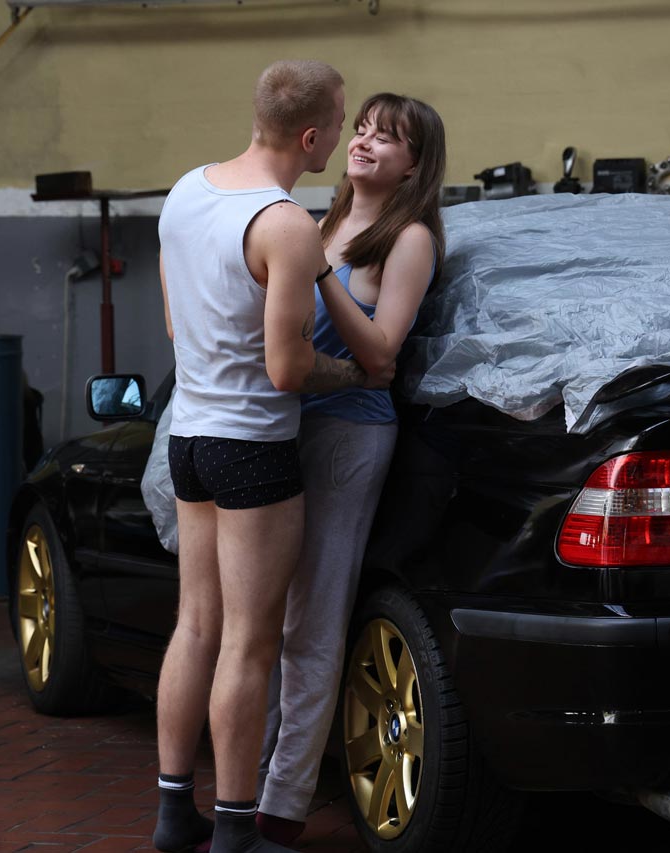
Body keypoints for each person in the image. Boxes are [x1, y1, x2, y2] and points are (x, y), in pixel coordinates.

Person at [153, 60, 390, 853]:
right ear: (313, 136)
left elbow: (178, 328)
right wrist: (351, 371)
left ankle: (170, 809)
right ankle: (232, 831)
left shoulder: (187, 193)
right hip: (253, 449)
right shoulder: (285, 224)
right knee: (252, 643)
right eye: (346, 122)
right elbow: (288, 369)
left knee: (194, 626)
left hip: (189, 438)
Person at [255, 92, 447, 842]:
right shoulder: (324, 221)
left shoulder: (411, 240)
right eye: (361, 128)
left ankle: (282, 808)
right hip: (284, 429)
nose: (365, 142)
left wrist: (315, 267)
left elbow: (381, 354)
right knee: (264, 620)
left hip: (351, 437)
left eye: (387, 138)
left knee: (313, 620)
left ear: (414, 164)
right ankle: (250, 788)